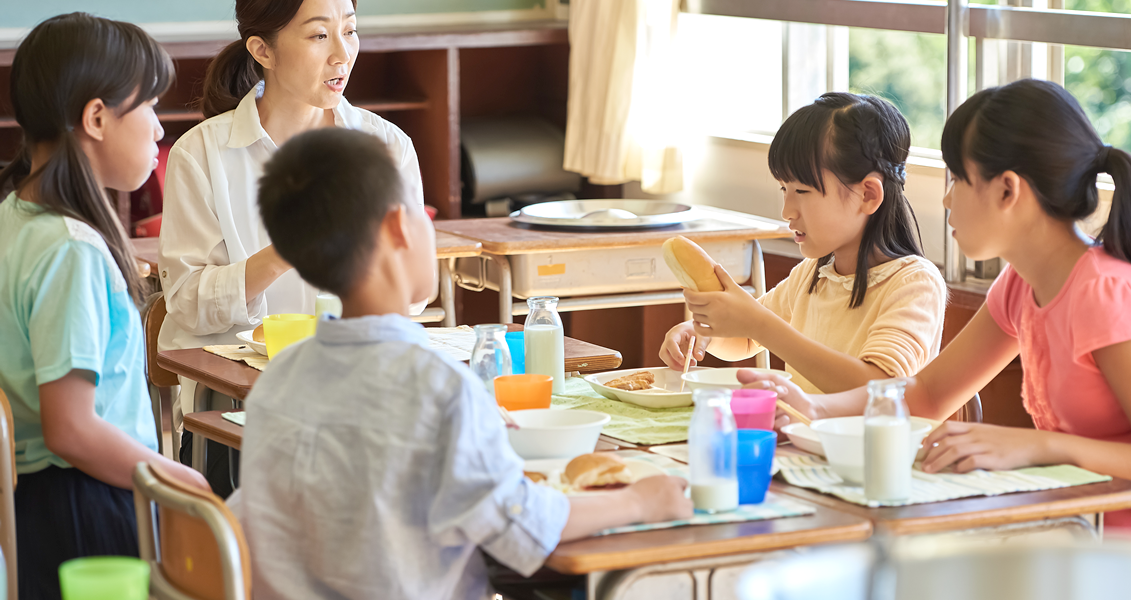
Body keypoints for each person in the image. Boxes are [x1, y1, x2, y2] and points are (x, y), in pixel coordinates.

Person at [229, 128, 693, 598]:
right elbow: (520, 525)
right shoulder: (436, 383)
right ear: (398, 228)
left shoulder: (280, 376)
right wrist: (640, 500)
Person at [753, 79, 1131, 536]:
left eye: (958, 180)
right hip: (1079, 536)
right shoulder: (1020, 286)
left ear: (1008, 191)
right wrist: (815, 407)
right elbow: (926, 394)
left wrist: (1037, 446)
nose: (946, 199)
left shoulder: (1107, 296)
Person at [157, 0, 425, 486]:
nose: (343, 55)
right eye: (319, 36)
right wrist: (288, 248)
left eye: (351, 31)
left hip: (360, 402)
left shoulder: (385, 146)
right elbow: (187, 304)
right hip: (241, 416)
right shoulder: (201, 155)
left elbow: (413, 293)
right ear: (262, 49)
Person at [0, 13, 210, 598]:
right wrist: (180, 477)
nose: (159, 132)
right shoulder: (72, 249)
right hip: (85, 505)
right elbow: (70, 428)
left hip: (33, 501)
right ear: (96, 118)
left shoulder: (13, 220)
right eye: (149, 108)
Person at [661, 93, 946, 394]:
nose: (787, 212)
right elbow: (746, 339)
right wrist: (702, 334)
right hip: (800, 439)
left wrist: (760, 325)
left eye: (803, 190)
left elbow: (878, 390)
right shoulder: (813, 275)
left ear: (868, 195)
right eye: (784, 188)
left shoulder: (914, 284)